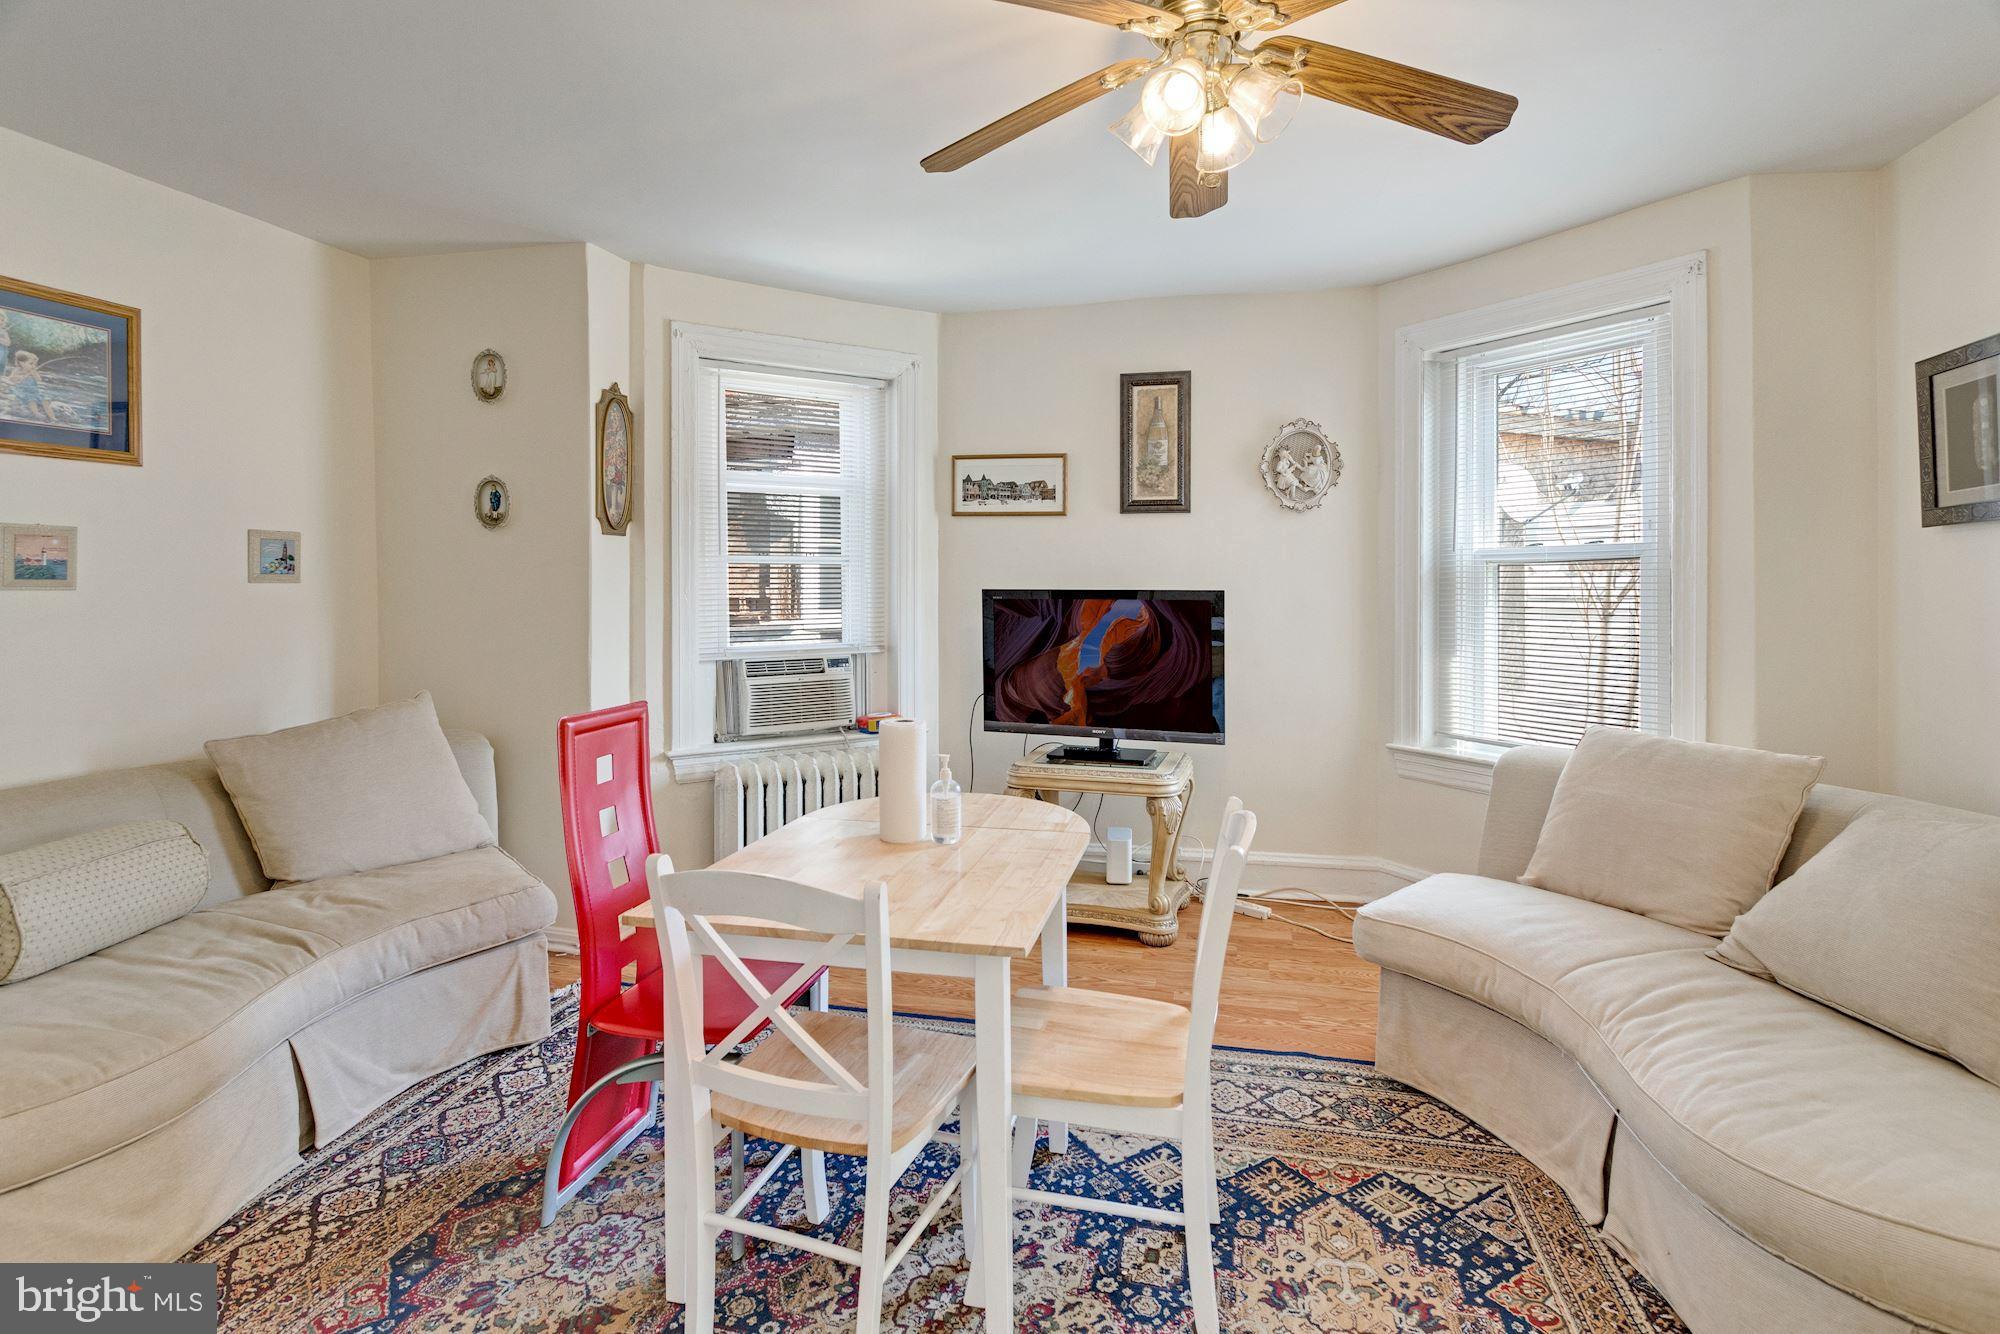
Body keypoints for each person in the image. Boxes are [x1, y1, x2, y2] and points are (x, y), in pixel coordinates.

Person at [1, 350, 52, 421]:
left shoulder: (33, 371)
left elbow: (39, 379)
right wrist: (20, 377)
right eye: (31, 364)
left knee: (45, 401)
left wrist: (34, 373)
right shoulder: (17, 370)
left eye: (35, 364)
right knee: (31, 400)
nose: (33, 366)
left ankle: (52, 417)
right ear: (22, 363)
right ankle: (36, 413)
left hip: (34, 391)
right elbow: (11, 379)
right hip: (22, 391)